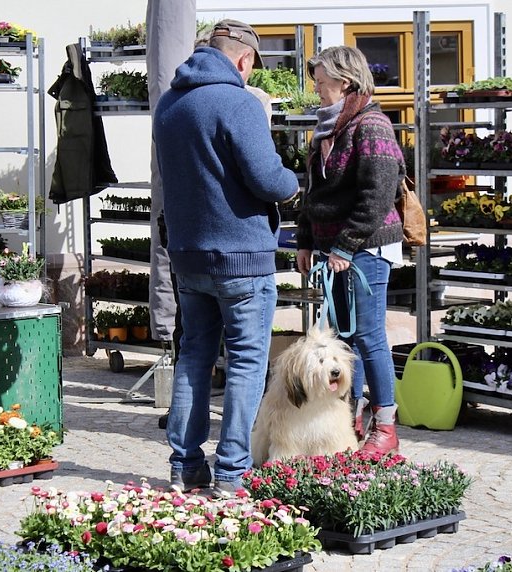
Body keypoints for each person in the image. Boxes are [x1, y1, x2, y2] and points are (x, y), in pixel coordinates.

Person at [153, 19, 299, 496]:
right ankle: (233, 472)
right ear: (244, 60)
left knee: (194, 356)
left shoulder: (169, 105)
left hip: (188, 256)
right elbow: (268, 180)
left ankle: (185, 465)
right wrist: (294, 182)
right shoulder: (239, 102)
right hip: (242, 256)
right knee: (245, 361)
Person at [295, 45, 405, 455]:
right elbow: (313, 192)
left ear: (346, 82)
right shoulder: (327, 127)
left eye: (323, 83)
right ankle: (347, 420)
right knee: (342, 339)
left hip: (367, 248)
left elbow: (377, 197)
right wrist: (306, 240)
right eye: (317, 82)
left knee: (368, 335)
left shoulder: (371, 125)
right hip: (335, 250)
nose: (318, 90)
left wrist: (344, 245)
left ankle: (386, 427)